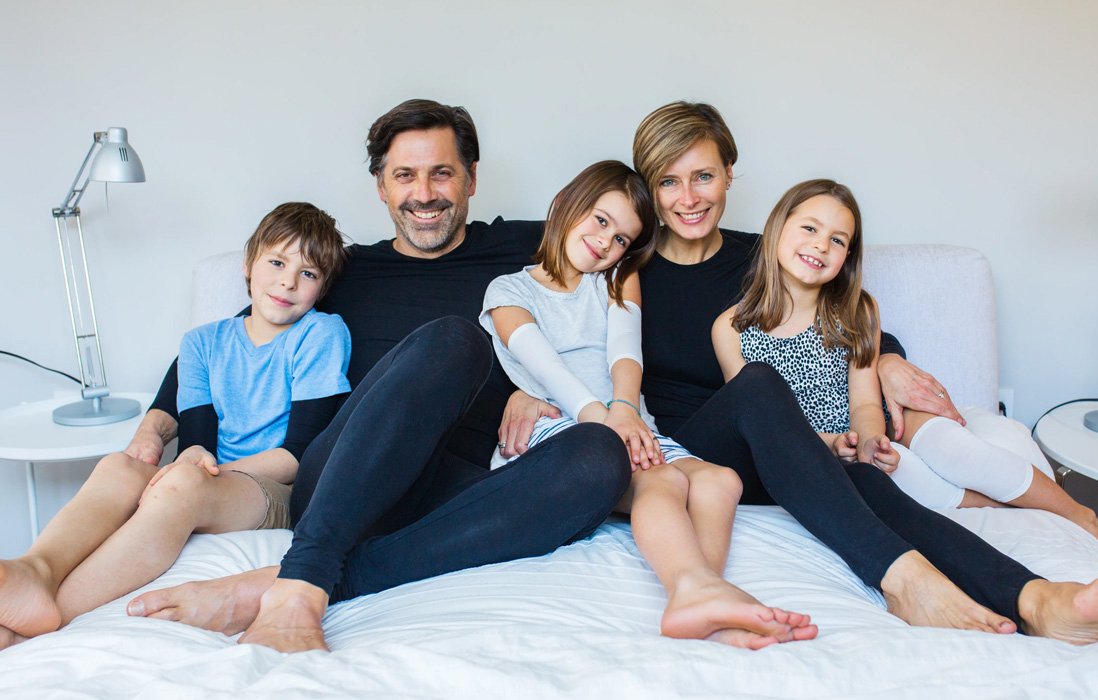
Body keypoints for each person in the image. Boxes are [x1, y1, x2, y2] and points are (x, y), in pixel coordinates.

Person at [504, 100, 1098, 643]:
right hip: (688, 451)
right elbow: (544, 318)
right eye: (668, 182)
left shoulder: (767, 256)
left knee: (863, 477)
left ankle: (1037, 598)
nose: (688, 198)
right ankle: (904, 580)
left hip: (783, 452)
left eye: (703, 176)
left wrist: (888, 356)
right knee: (760, 387)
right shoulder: (620, 266)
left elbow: (839, 316)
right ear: (649, 190)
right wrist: (518, 393)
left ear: (729, 174)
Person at [0, 99, 630, 654]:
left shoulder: (530, 248)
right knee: (454, 340)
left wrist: (532, 387)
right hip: (345, 480)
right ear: (380, 187)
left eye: (442, 172)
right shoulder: (340, 270)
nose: (425, 192)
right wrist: (153, 429)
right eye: (404, 175)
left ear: (471, 179)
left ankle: (304, 580)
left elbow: (634, 262)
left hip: (460, 485)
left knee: (600, 457)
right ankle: (305, 574)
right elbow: (224, 344)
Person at [481, 160, 815, 648]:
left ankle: (702, 596)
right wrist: (604, 421)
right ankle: (694, 591)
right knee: (663, 480)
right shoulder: (508, 290)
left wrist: (625, 409)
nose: (605, 242)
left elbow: (625, 351)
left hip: (627, 420)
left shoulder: (616, 278)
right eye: (600, 220)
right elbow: (547, 368)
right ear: (564, 204)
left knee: (721, 480)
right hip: (561, 427)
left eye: (621, 238)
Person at [0, 202, 352, 645]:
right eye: (277, 263)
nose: (288, 281)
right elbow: (196, 442)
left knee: (183, 483)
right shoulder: (201, 343)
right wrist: (196, 461)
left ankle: (48, 619)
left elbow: (296, 455)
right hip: (215, 479)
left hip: (278, 488)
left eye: (308, 273)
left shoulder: (321, 334)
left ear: (321, 288)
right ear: (249, 264)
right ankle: (35, 571)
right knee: (118, 466)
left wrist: (201, 476)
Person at [710, 179, 1098, 549]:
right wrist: (835, 445)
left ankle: (1080, 514)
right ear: (777, 228)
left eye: (837, 240)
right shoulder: (731, 328)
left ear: (847, 255)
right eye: (809, 228)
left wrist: (871, 441)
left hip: (876, 429)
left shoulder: (856, 310)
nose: (820, 245)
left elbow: (865, 401)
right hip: (812, 451)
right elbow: (754, 422)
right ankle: (997, 504)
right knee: (903, 484)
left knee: (952, 448)